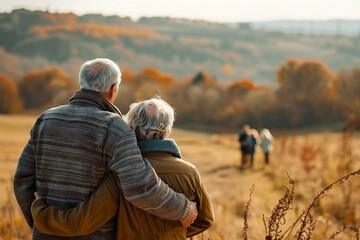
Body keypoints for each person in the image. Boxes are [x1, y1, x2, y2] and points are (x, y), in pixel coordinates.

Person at [13, 58, 197, 239]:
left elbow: (23, 179)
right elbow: (139, 187)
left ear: (82, 83)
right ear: (113, 89)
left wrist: (41, 222)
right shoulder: (115, 128)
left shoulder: (46, 119)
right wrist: (183, 209)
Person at [31, 97, 215, 239]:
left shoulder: (120, 173)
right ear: (167, 129)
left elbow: (81, 222)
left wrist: (41, 211)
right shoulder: (189, 172)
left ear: (131, 127)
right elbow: (205, 219)